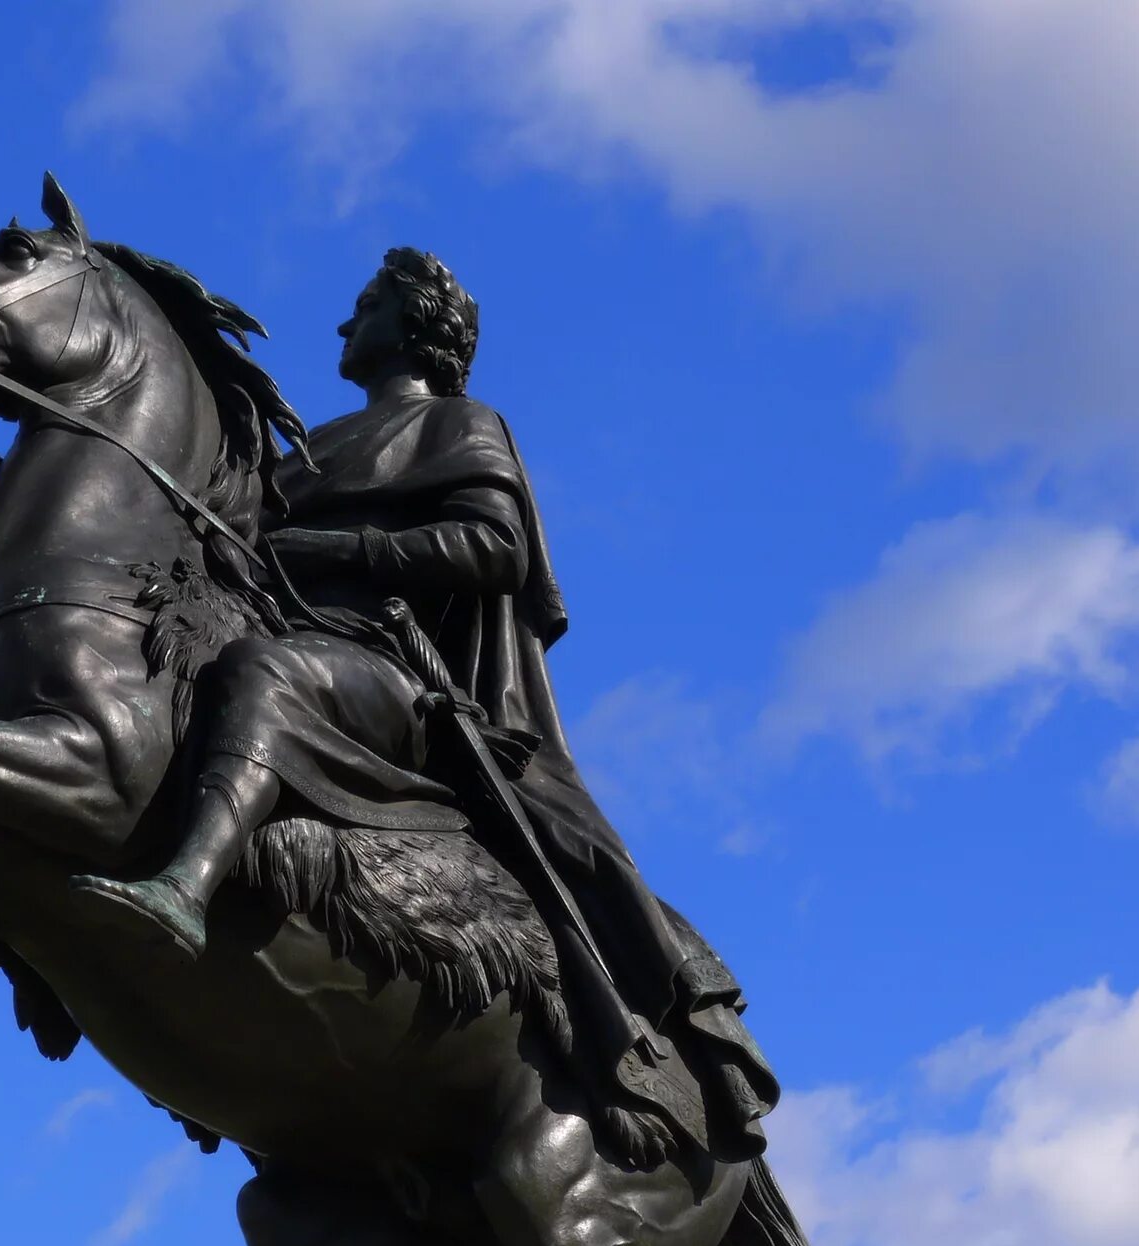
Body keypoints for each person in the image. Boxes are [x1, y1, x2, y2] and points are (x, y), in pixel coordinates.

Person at [73, 247, 777, 1161]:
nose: (341, 323)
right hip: (296, 637)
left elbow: (494, 549)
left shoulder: (460, 423)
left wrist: (345, 552)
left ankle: (183, 889)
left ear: (414, 325)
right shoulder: (308, 445)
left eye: (364, 305)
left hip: (389, 673)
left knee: (261, 675)